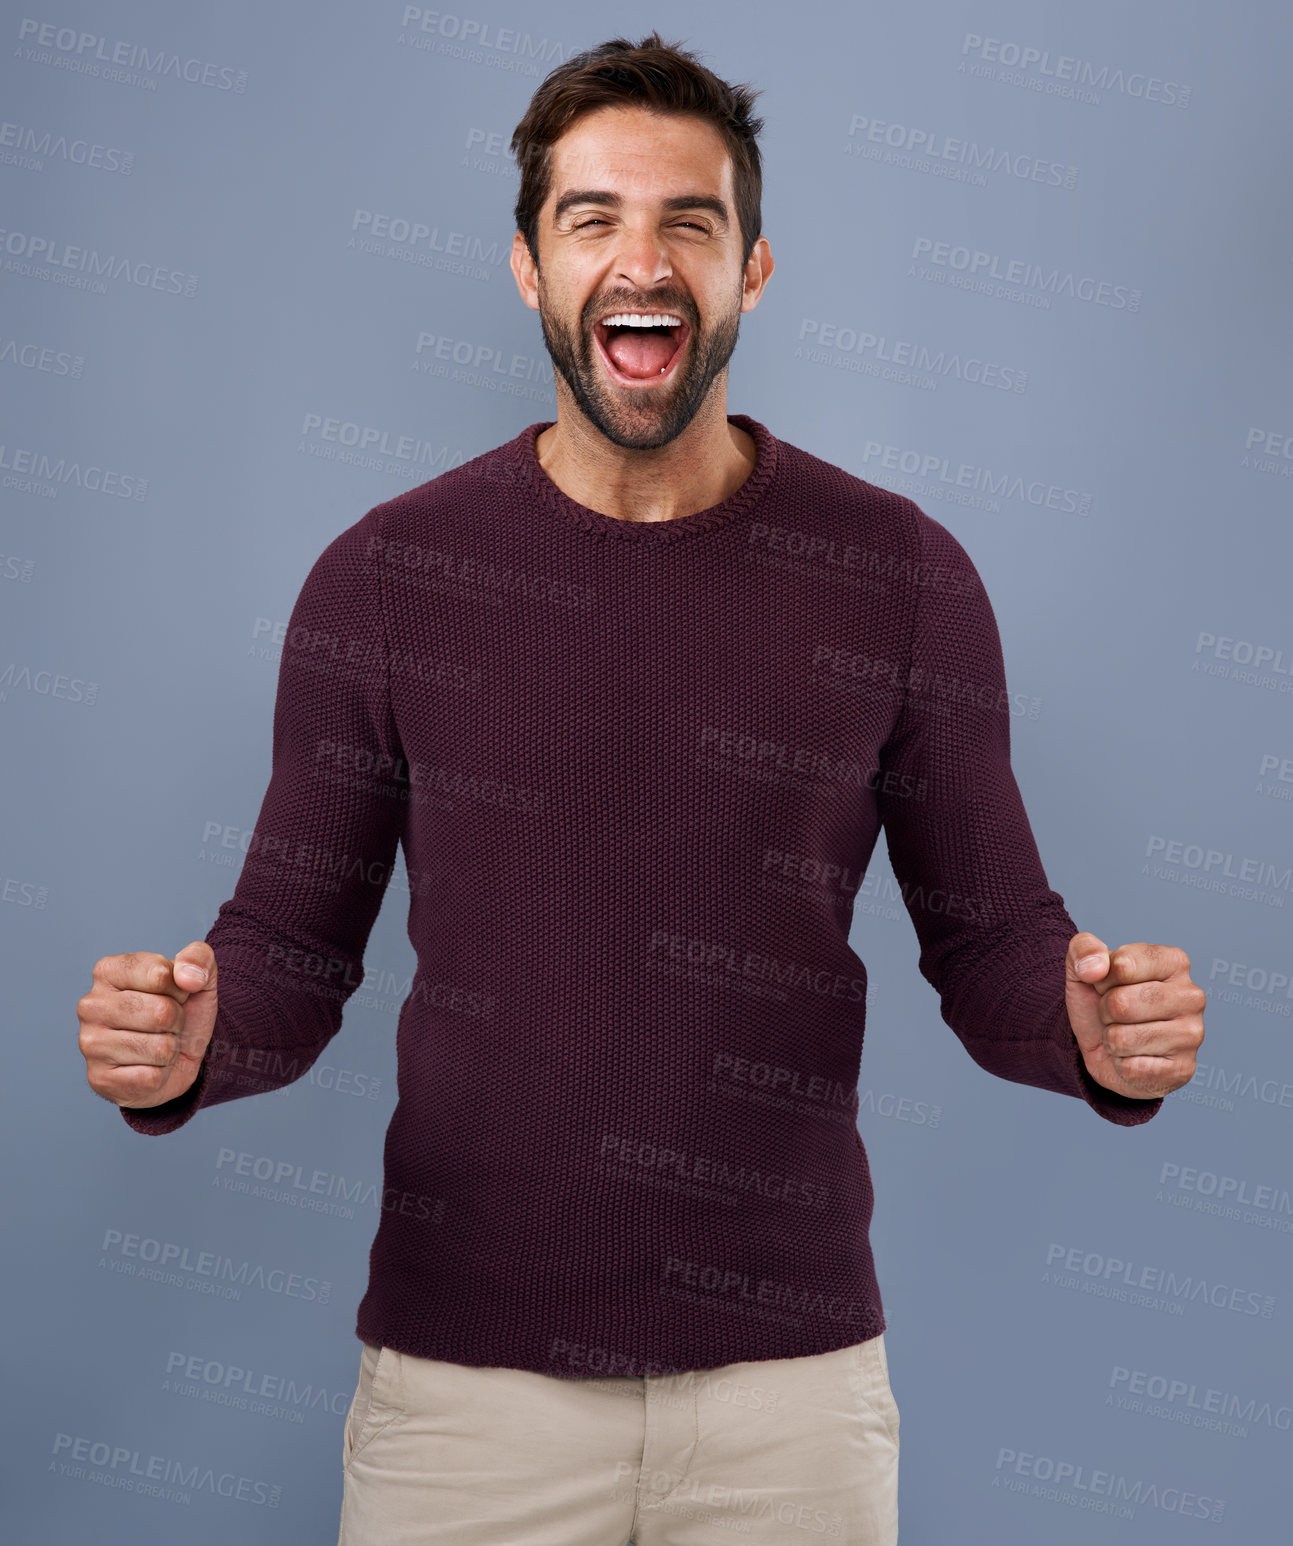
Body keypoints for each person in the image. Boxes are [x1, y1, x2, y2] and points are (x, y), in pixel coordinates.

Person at [75, 31, 1206, 1546]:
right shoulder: (386, 579)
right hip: (463, 1404)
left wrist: (1093, 1036)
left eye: (690, 219)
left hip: (789, 1405)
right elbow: (286, 948)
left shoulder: (895, 577)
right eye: (592, 216)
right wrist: (196, 1045)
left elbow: (996, 938)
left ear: (751, 271)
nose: (642, 254)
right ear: (529, 270)